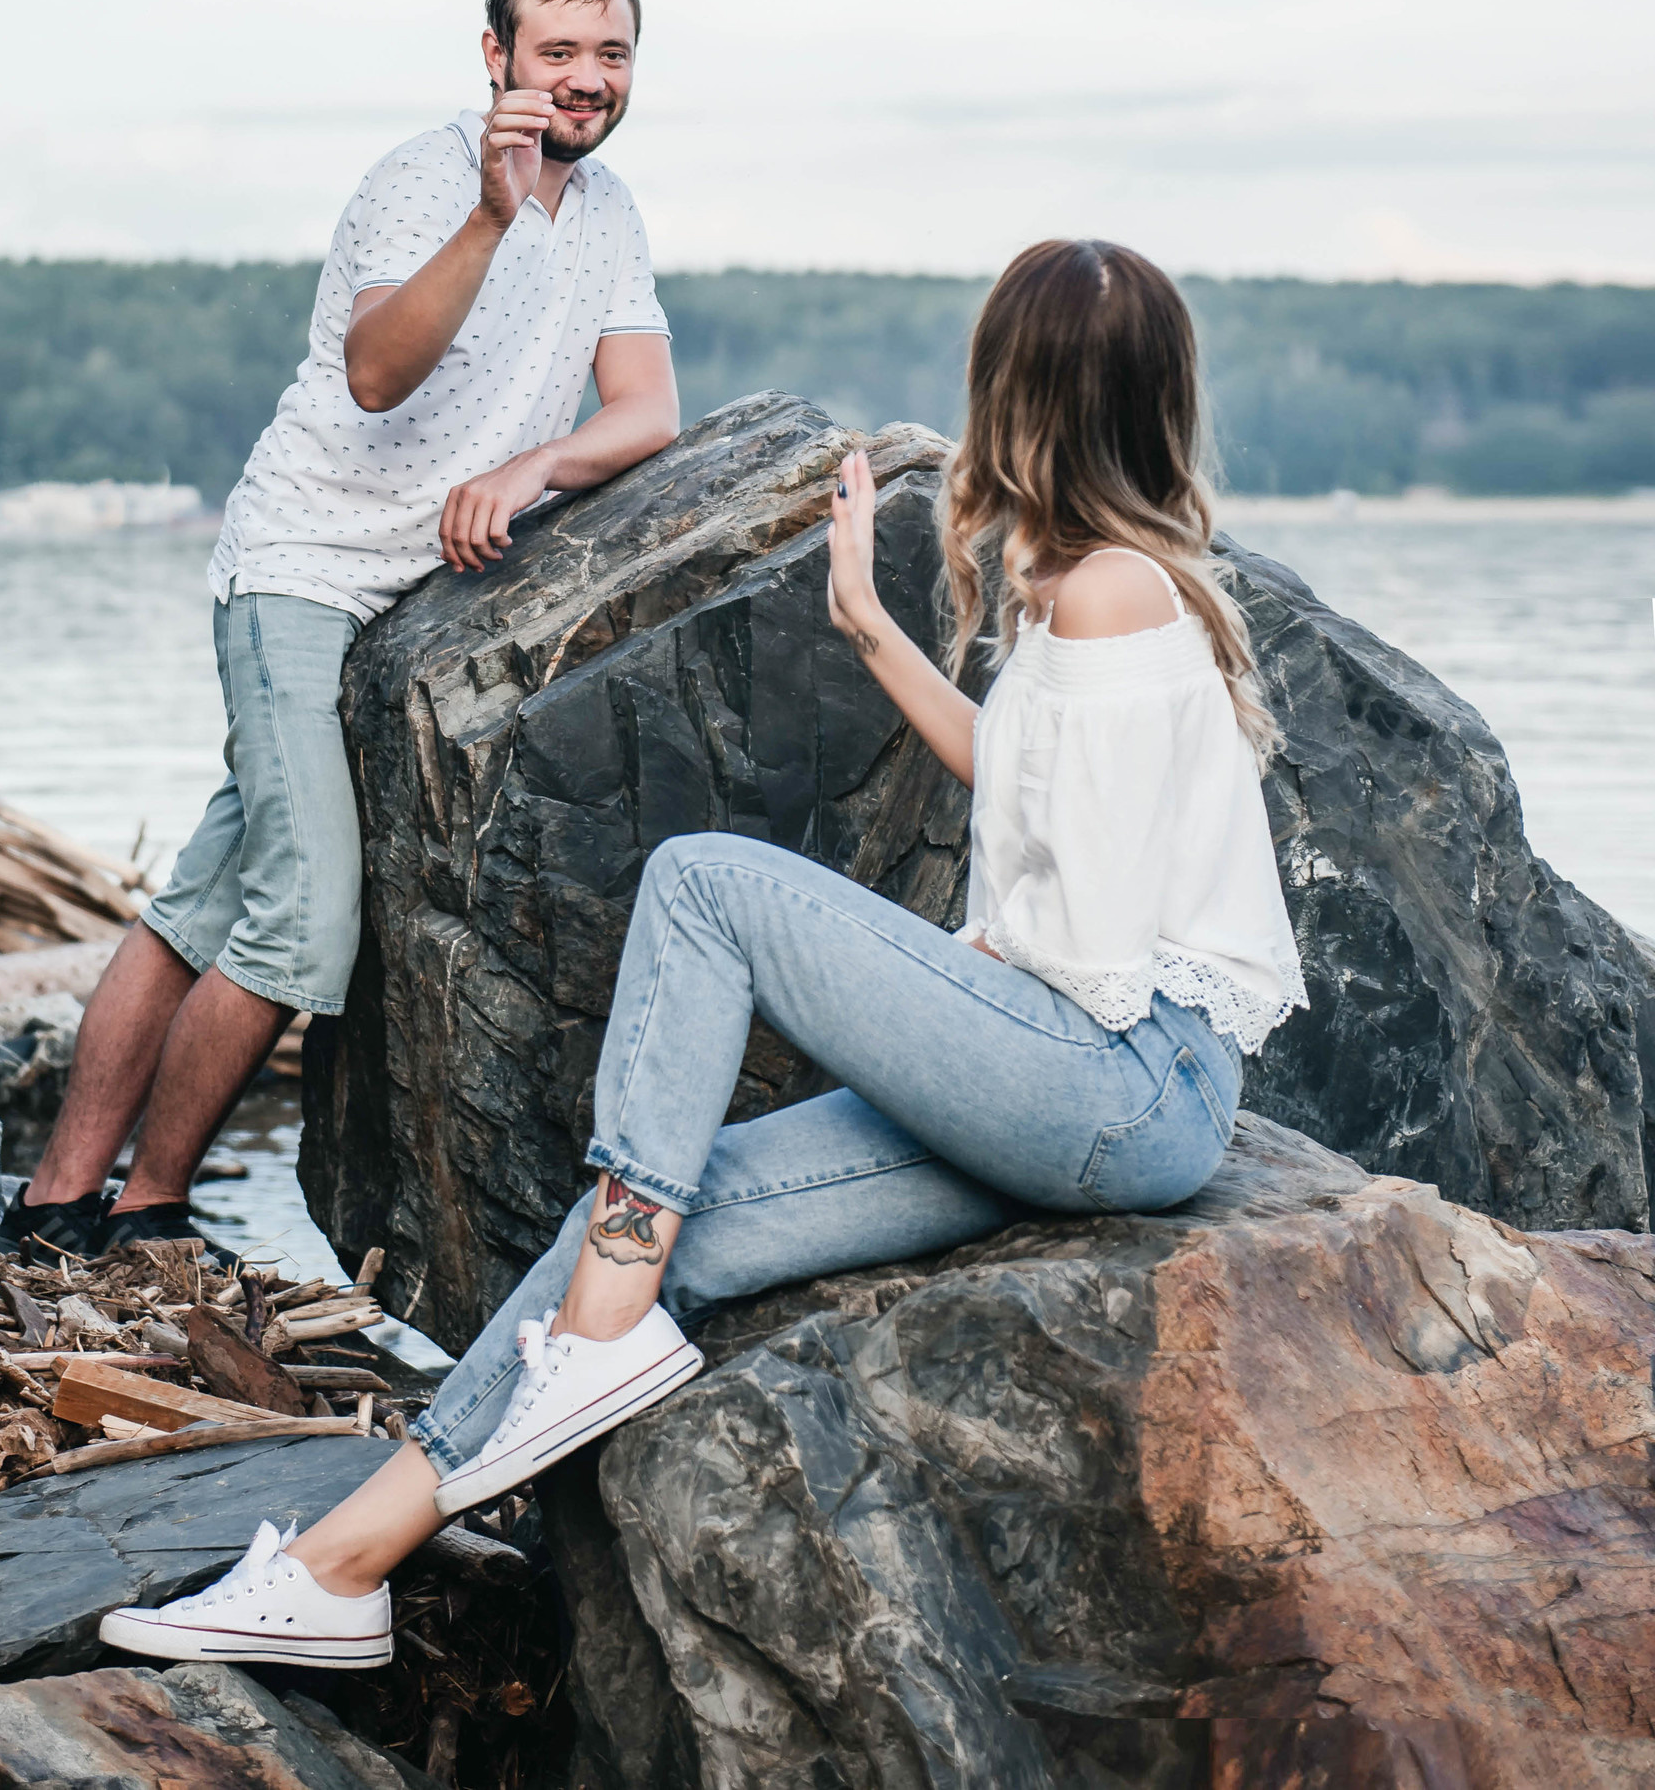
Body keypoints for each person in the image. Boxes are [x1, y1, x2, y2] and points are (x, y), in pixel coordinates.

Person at [96, 236, 1306, 1669]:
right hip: (1080, 1083)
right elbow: (1039, 791)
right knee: (672, 1212)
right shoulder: (1105, 582)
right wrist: (864, 627)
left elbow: (1089, 953)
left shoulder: (1112, 592)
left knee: (706, 888)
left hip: (1120, 1084)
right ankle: (345, 1564)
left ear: (1018, 393)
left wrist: (922, 1002)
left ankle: (592, 1332)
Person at [0, 0, 680, 1264]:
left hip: (411, 616)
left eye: (611, 54)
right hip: (304, 573)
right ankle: (147, 1218)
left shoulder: (612, 216)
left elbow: (647, 410)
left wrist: (537, 461)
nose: (588, 80)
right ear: (498, 60)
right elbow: (374, 373)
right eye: (559, 54)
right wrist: (490, 213)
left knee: (210, 898)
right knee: (305, 918)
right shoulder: (422, 180)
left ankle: (51, 1204)